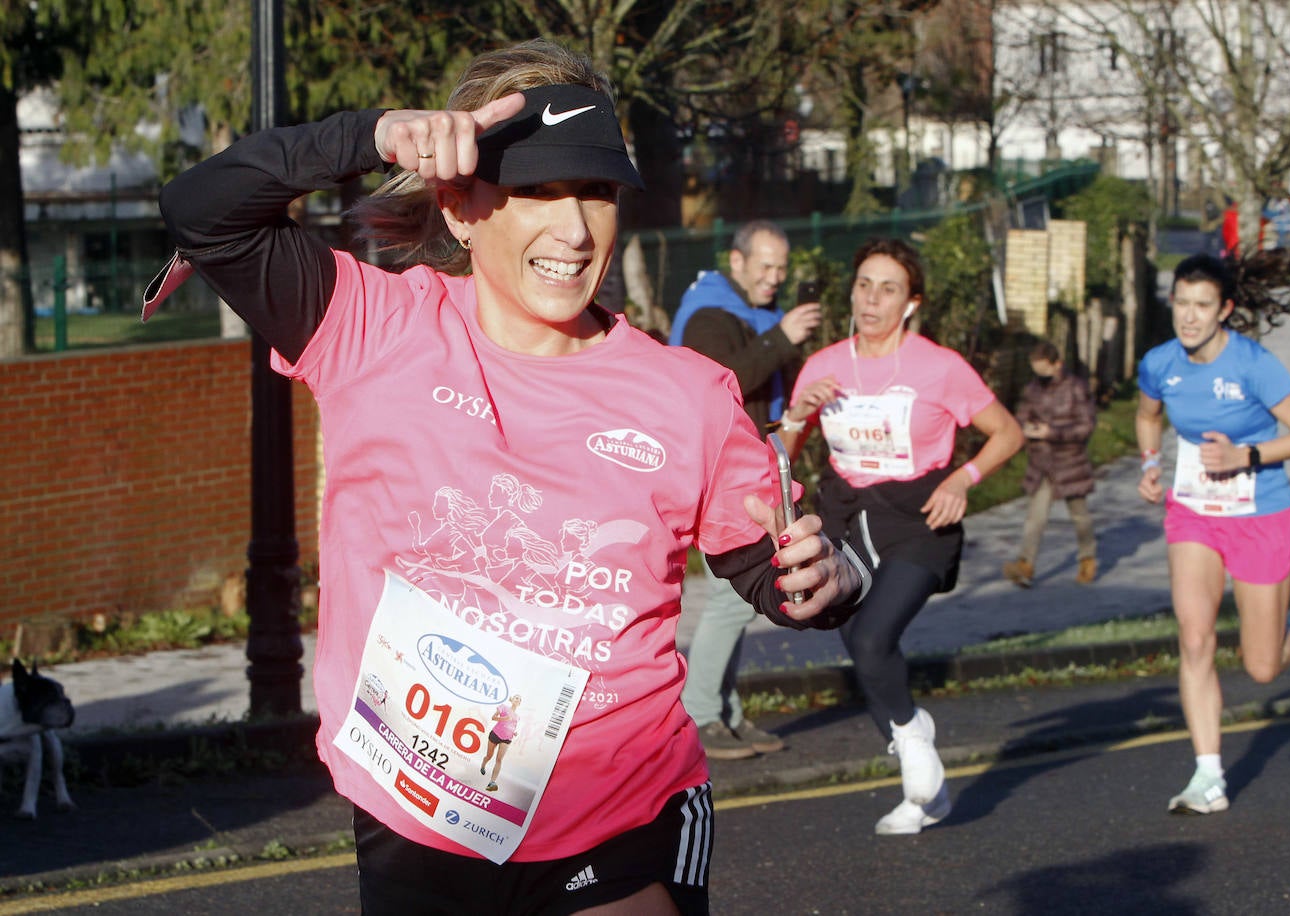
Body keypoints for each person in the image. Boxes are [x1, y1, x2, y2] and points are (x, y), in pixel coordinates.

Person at [149, 38, 870, 915]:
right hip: (418, 816)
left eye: (597, 192)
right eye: (536, 191)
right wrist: (374, 136)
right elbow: (202, 208)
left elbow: (774, 574)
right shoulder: (370, 326)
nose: (574, 229)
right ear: (460, 207)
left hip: (619, 814)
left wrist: (831, 579)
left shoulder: (688, 396)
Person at [779, 237, 1023, 835]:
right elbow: (781, 458)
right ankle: (925, 791)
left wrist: (964, 479)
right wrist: (795, 415)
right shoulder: (825, 364)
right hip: (847, 518)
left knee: (874, 638)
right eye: (864, 284)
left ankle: (912, 738)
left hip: (919, 520)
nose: (871, 299)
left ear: (910, 302)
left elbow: (1008, 433)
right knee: (854, 635)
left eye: (888, 288)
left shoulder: (939, 366)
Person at [1137, 252, 1290, 816]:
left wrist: (1246, 454)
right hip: (1194, 512)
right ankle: (1208, 777)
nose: (1189, 318)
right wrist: (1150, 464)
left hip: (1260, 513)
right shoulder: (1159, 363)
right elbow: (1149, 415)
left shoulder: (1254, 366)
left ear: (1224, 309)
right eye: (1181, 303)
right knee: (1195, 638)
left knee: (1261, 667)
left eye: (1202, 306)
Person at [668, 220, 823, 760]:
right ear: (736, 262)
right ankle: (703, 714)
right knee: (731, 604)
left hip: (746, 471)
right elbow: (722, 379)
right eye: (765, 266)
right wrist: (782, 340)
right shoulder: (710, 314)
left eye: (781, 268)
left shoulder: (754, 315)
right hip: (718, 475)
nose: (775, 278)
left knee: (733, 601)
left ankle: (725, 711)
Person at [1002, 339, 1097, 588]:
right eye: (1037, 371)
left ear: (1057, 364)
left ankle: (1087, 558)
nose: (1041, 376)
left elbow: (1086, 426)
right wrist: (1026, 428)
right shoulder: (1033, 389)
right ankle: (1026, 564)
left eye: (1044, 370)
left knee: (1079, 516)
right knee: (1036, 516)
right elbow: (1021, 415)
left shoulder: (1076, 388)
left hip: (1070, 461)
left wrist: (1052, 432)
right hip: (1041, 462)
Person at [479, 695, 521, 792]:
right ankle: (483, 764)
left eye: (519, 699)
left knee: (499, 759)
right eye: (516, 697)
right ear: (512, 700)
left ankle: (492, 782)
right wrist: (504, 719)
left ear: (519, 703)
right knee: (489, 756)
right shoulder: (504, 707)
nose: (517, 699)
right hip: (495, 734)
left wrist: (514, 732)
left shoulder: (518, 717)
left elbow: (512, 726)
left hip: (507, 739)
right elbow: (493, 717)